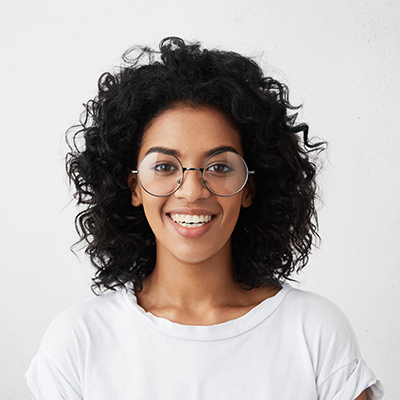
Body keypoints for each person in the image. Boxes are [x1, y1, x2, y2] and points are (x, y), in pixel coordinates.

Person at [26, 37, 384, 399]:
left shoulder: (314, 332)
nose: (192, 190)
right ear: (134, 187)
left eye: (219, 166)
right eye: (165, 166)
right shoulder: (78, 342)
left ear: (249, 188)